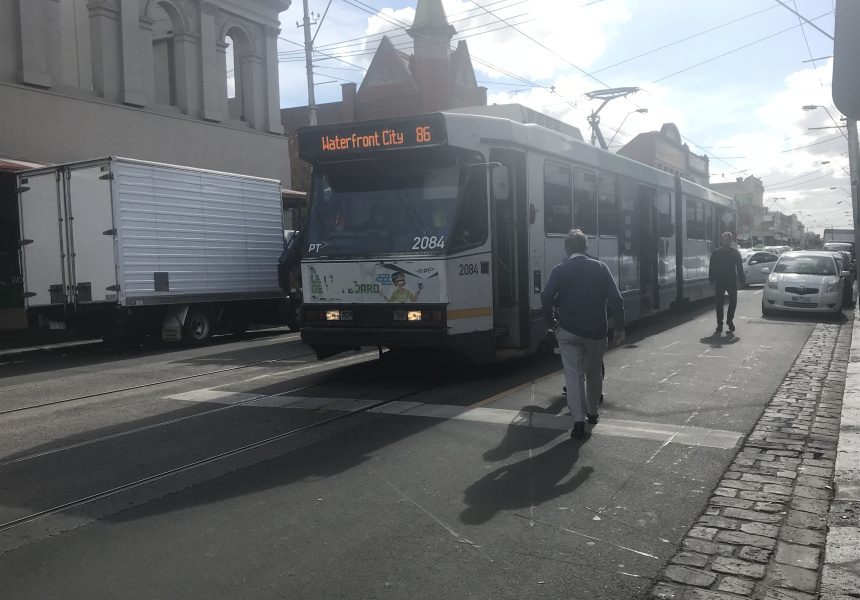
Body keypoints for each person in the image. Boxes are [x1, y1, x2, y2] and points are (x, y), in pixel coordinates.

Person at [541, 229, 626, 440]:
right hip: (596, 332)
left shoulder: (560, 270)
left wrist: (550, 322)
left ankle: (578, 422)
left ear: (567, 248)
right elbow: (616, 299)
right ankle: (593, 413)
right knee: (594, 372)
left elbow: (546, 296)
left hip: (568, 331)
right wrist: (620, 328)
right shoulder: (601, 268)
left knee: (573, 376)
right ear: (586, 247)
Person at [709, 231, 745, 334]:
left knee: (733, 300)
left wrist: (742, 281)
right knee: (719, 303)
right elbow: (711, 267)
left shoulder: (735, 253)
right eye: (724, 240)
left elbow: (739, 267)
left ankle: (730, 320)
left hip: (731, 280)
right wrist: (711, 281)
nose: (726, 241)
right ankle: (719, 324)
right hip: (719, 280)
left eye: (728, 240)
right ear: (722, 241)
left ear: (731, 241)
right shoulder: (716, 253)